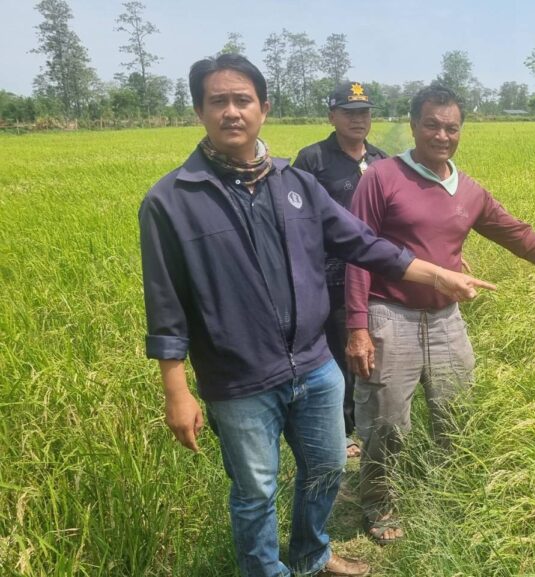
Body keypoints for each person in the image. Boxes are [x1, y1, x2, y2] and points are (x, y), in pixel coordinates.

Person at [139, 56, 493, 577]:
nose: (232, 111)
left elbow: (364, 243)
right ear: (199, 111)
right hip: (238, 377)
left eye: (243, 100)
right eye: (219, 101)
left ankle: (312, 554)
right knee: (256, 489)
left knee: (327, 467)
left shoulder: (295, 183)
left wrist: (436, 276)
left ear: (264, 108)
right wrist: (177, 390)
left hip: (315, 364)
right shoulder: (171, 201)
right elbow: (165, 304)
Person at [345, 84, 535, 545]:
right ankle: (380, 502)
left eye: (451, 128)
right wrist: (357, 326)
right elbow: (357, 252)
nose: (442, 136)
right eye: (432, 125)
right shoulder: (382, 177)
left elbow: (519, 235)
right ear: (413, 125)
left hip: (446, 318)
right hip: (389, 313)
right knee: (386, 421)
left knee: (456, 412)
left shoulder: (468, 190)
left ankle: (449, 493)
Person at [293, 81, 387, 460]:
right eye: (349, 113)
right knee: (337, 354)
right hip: (329, 276)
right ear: (332, 116)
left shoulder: (381, 160)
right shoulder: (312, 159)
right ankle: (342, 431)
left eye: (363, 112)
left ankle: (372, 424)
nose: (357, 119)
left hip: (373, 275)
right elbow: (295, 219)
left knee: (373, 351)